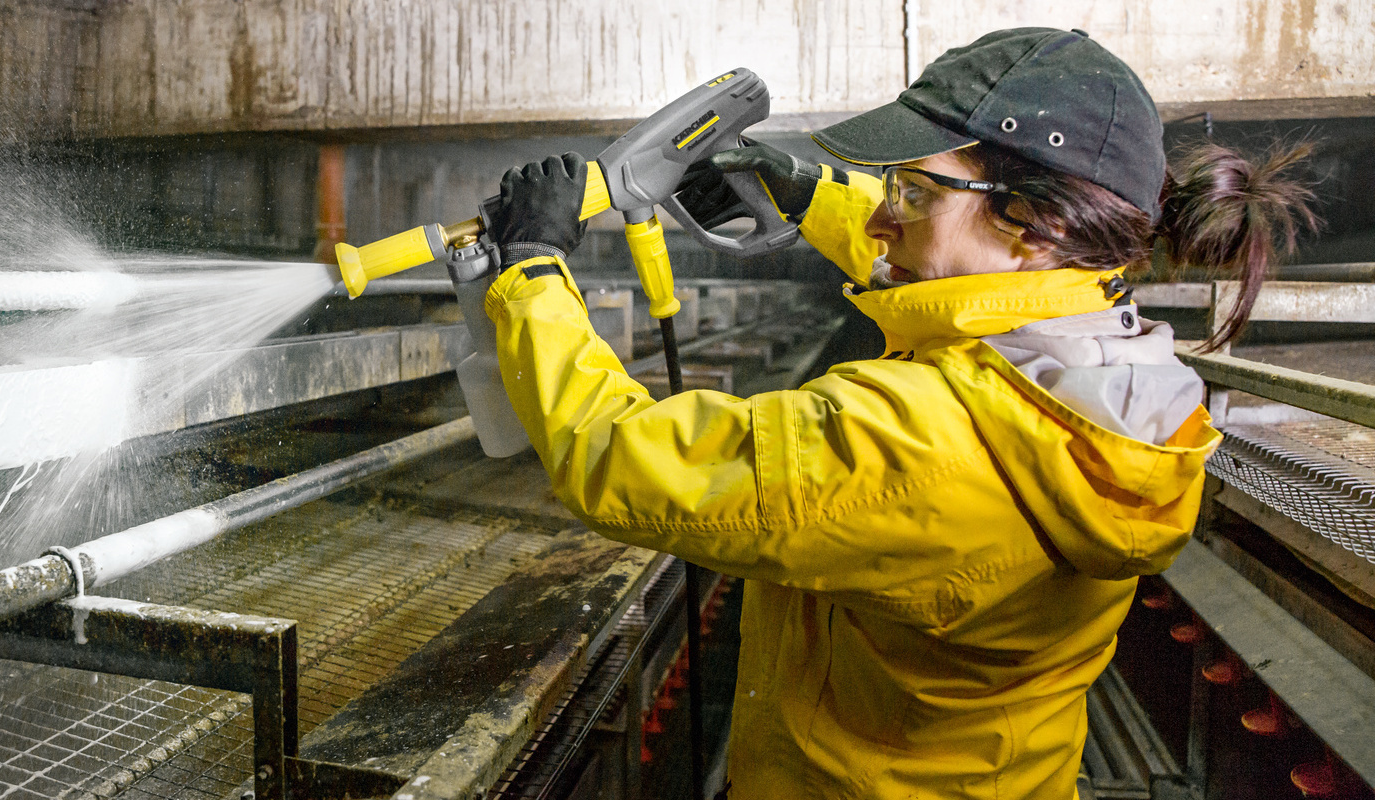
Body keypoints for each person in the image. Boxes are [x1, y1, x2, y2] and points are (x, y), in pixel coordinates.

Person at [482, 28, 1316, 799]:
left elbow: (622, 458)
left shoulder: (911, 441)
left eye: (910, 192)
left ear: (1039, 222)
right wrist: (804, 192)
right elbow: (967, 276)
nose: (883, 220)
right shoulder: (1103, 359)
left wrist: (532, 268)